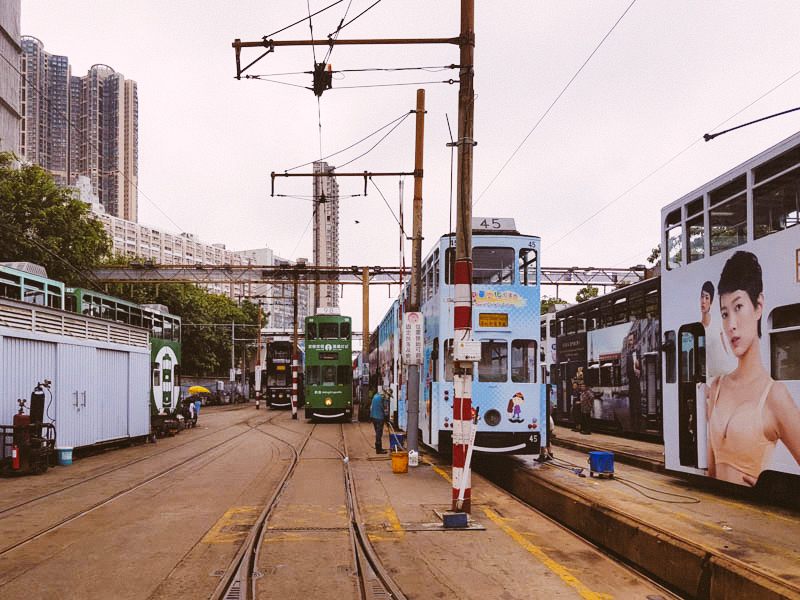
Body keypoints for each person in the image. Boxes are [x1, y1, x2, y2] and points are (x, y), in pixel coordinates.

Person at [707, 251, 800, 486]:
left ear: (758, 306)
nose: (731, 325)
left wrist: (773, 487)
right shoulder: (716, 388)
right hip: (715, 508)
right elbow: (711, 473)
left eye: (738, 307)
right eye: (725, 314)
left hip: (750, 510)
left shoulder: (775, 396)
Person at [701, 280, 737, 379]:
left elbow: (726, 347)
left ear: (711, 302)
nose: (703, 301)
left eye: (706, 298)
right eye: (702, 297)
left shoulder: (718, 323)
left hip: (726, 372)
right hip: (710, 377)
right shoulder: (698, 329)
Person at [626, 334, 641, 430]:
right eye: (629, 340)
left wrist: (639, 371)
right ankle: (633, 422)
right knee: (632, 400)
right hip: (632, 380)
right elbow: (628, 369)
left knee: (637, 399)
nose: (629, 342)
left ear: (635, 340)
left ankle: (638, 420)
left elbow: (641, 366)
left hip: (637, 379)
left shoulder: (639, 351)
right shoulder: (628, 353)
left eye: (631, 340)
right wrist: (632, 372)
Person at [371, 389, 387, 454]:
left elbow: (371, 407)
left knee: (377, 432)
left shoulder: (375, 396)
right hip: (380, 417)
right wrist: (386, 417)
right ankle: (379, 449)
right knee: (379, 433)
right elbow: (385, 408)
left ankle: (378, 447)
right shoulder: (383, 398)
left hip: (373, 417)